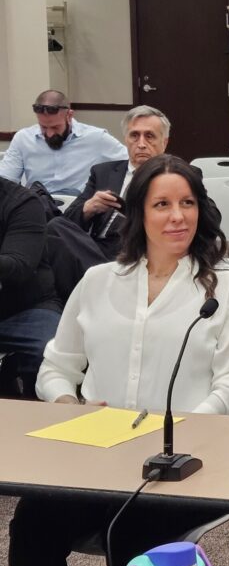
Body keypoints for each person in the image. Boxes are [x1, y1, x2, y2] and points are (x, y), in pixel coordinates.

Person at [8, 154, 229, 566]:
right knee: (32, 522)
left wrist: (180, 434)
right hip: (97, 457)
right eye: (162, 204)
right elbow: (57, 366)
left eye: (188, 203)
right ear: (137, 213)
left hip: (188, 466)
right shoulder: (101, 282)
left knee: (131, 532)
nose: (177, 216)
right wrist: (68, 406)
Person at [60, 105, 171, 261]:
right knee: (55, 227)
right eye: (134, 136)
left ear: (164, 142)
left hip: (147, 249)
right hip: (100, 251)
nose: (141, 144)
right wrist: (89, 208)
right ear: (126, 140)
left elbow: (210, 215)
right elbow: (68, 221)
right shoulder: (102, 173)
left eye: (149, 136)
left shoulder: (177, 174)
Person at [0, 177, 62, 397]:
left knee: (47, 351)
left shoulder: (22, 202)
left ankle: (36, 415)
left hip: (25, 306)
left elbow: (18, 265)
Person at [0, 90, 127, 195]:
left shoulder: (97, 138)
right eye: (43, 127)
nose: (49, 134)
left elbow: (131, 162)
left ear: (69, 115)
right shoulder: (23, 138)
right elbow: (5, 180)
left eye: (55, 127)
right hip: (37, 208)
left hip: (79, 211)